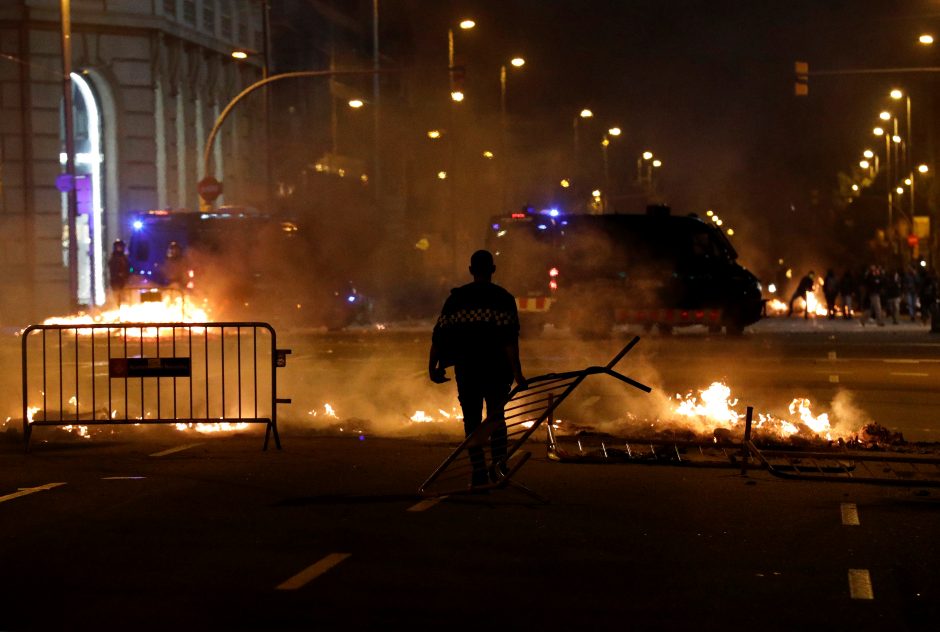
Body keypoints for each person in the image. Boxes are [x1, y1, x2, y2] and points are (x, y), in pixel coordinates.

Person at [428, 250, 527, 488]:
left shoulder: (456, 299)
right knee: (496, 419)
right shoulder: (503, 298)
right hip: (497, 370)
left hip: (468, 369)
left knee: (471, 422)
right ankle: (499, 467)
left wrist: (432, 367)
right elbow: (509, 340)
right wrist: (518, 374)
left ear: (471, 270)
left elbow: (439, 335)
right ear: (493, 270)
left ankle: (479, 472)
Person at [107, 238, 131, 306]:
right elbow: (112, 268)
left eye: (121, 247)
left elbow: (129, 268)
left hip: (124, 281)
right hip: (116, 280)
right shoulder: (114, 258)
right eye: (118, 247)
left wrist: (127, 274)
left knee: (124, 296)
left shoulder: (125, 258)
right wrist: (118, 274)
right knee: (117, 295)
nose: (119, 248)